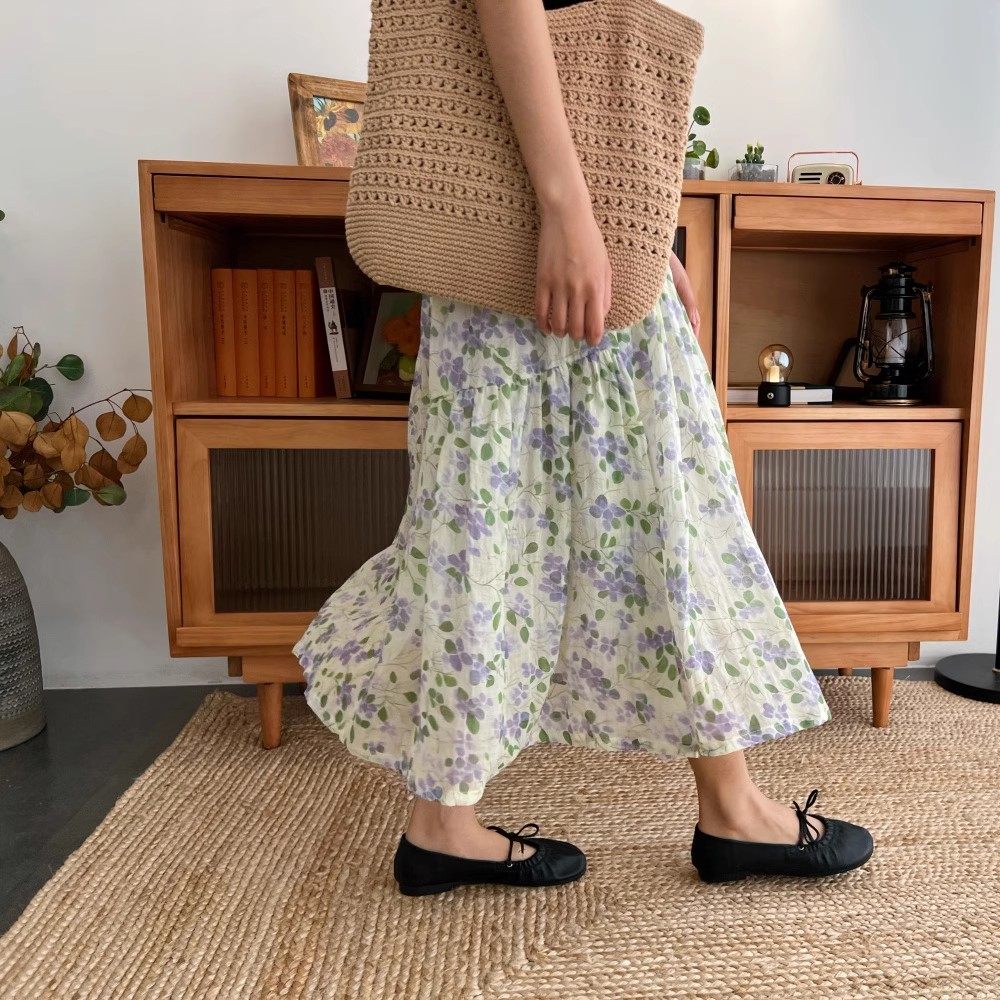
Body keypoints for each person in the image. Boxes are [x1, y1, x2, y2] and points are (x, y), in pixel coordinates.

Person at [293, 0, 874, 895]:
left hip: (536, 237)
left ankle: (446, 820)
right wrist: (569, 210)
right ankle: (729, 809)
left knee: (485, 519)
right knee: (660, 512)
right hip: (534, 233)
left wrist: (624, 224)